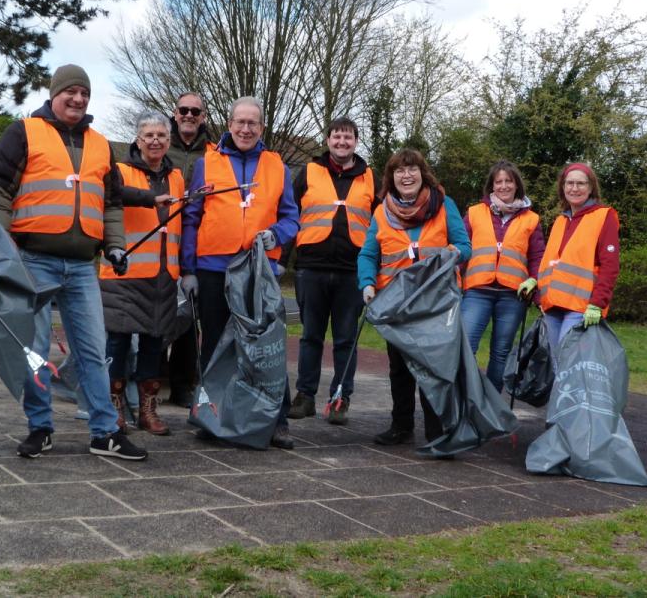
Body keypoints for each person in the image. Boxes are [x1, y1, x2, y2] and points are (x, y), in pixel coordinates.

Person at [0, 63, 147, 461]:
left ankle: (104, 431)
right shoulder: (23, 132)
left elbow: (110, 204)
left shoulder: (102, 144)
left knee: (92, 350)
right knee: (35, 350)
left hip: (81, 267)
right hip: (32, 261)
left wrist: (115, 246)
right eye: (70, 92)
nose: (77, 99)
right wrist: (0, 250)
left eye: (84, 94)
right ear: (54, 93)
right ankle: (40, 427)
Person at [180, 96, 300, 449]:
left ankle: (277, 421)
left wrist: (275, 235)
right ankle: (211, 415)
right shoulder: (206, 163)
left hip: (256, 269)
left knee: (267, 345)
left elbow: (292, 217)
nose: (246, 129)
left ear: (262, 128)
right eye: (240, 122)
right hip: (213, 267)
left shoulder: (278, 167)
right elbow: (192, 217)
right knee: (216, 346)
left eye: (253, 123)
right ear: (229, 125)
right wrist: (188, 269)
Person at [357, 149, 471, 446]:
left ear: (423, 174)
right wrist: (367, 283)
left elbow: (464, 245)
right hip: (396, 301)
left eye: (412, 169)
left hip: (434, 302)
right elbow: (369, 253)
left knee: (434, 367)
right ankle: (401, 425)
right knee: (399, 368)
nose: (406, 175)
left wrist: (456, 253)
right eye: (399, 171)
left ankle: (438, 429)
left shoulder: (444, 205)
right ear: (391, 178)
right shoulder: (381, 211)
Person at [287, 117, 380, 425]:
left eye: (348, 137)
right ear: (327, 140)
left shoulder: (370, 177)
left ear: (356, 141)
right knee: (310, 336)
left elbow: (382, 225)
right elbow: (289, 213)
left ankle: (341, 397)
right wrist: (281, 260)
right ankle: (305, 396)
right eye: (337, 137)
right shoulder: (308, 172)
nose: (342, 142)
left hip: (351, 270)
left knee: (345, 339)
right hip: (311, 267)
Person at [100, 113, 180, 435]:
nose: (155, 140)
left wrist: (183, 268)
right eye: (148, 135)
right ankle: (114, 407)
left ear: (169, 140)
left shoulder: (177, 177)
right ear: (137, 139)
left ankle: (148, 410)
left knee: (153, 344)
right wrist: (150, 199)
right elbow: (114, 198)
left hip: (163, 273)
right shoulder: (119, 172)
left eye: (161, 134)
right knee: (117, 343)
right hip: (124, 271)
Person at [461, 160, 545, 392]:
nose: (504, 186)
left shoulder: (532, 219)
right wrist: (454, 281)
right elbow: (461, 248)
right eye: (499, 181)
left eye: (509, 181)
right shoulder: (474, 212)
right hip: (477, 291)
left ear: (517, 185)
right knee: (466, 346)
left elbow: (538, 256)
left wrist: (534, 281)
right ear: (491, 186)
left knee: (501, 353)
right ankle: (468, 399)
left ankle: (492, 408)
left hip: (513, 295)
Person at [163, 92, 216, 407]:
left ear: (203, 116)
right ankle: (149, 376)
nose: (189, 115)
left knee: (189, 313)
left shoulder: (213, 154)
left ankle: (183, 383)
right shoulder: (158, 143)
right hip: (160, 238)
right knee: (153, 307)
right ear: (175, 112)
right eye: (184, 110)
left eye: (195, 111)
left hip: (195, 238)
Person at [538, 163, 619, 358]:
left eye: (581, 184)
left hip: (581, 307)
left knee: (568, 363)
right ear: (563, 186)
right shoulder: (561, 220)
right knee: (555, 363)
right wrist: (540, 293)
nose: (574, 188)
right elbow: (551, 262)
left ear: (591, 187)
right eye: (570, 183)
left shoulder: (604, 216)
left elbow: (610, 264)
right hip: (553, 306)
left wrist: (597, 303)